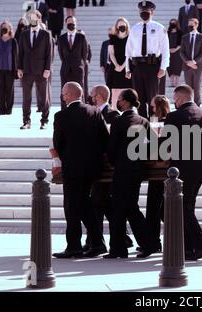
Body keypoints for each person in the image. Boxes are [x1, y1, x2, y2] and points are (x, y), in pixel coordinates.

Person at [52, 82, 108, 258]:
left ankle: (74, 246)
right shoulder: (95, 111)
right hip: (93, 169)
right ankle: (98, 243)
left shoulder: (61, 115)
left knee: (72, 207)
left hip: (73, 169)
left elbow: (57, 143)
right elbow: (105, 139)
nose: (62, 96)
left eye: (63, 93)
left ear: (69, 94)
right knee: (85, 205)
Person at [163, 85, 202, 260]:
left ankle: (201, 245)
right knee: (188, 206)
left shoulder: (174, 116)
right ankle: (189, 246)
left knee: (181, 207)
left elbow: (164, 145)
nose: (174, 102)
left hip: (182, 169)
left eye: (175, 99)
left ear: (180, 98)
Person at [105, 88, 160, 259]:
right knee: (128, 207)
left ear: (126, 101)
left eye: (119, 99)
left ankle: (125, 246)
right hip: (138, 169)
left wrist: (115, 163)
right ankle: (138, 244)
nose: (118, 102)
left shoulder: (119, 122)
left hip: (123, 169)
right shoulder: (143, 120)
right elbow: (153, 143)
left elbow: (111, 149)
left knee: (122, 208)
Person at [84, 84, 135, 251]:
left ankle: (95, 242)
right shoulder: (94, 114)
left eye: (92, 95)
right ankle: (118, 237)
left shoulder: (113, 115)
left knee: (97, 203)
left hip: (107, 167)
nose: (90, 98)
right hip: (99, 165)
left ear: (98, 96)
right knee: (102, 203)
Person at [125, 1, 170, 119]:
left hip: (153, 66)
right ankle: (142, 123)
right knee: (139, 98)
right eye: (142, 12)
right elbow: (128, 50)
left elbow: (165, 50)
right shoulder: (134, 28)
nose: (144, 14)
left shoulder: (160, 28)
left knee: (153, 98)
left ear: (152, 12)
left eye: (147, 12)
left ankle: (155, 123)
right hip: (137, 66)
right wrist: (128, 68)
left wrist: (163, 67)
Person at [17, 11, 53, 129]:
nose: (32, 20)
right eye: (30, 18)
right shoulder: (24, 34)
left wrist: (47, 68)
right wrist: (19, 68)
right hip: (27, 70)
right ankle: (26, 121)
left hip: (41, 70)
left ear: (39, 19)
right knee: (26, 98)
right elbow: (20, 52)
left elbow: (49, 53)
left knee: (44, 97)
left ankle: (44, 121)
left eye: (34, 18)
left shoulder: (46, 34)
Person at [145, 95, 171, 251]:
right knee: (154, 207)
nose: (151, 109)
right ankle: (153, 240)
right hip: (156, 167)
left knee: (156, 207)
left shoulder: (167, 121)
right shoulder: (154, 121)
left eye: (153, 106)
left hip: (162, 168)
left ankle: (154, 241)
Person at [58, 16, 88, 109]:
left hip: (78, 69)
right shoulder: (61, 38)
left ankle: (81, 111)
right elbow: (61, 55)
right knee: (65, 91)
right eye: (69, 22)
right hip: (65, 69)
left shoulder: (81, 37)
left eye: (73, 22)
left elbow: (84, 54)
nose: (71, 24)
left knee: (79, 91)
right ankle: (64, 111)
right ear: (65, 24)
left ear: (76, 23)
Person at [0, 21, 18, 115]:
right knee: (0, 90)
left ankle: (9, 110)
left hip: (10, 69)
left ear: (10, 29)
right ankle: (1, 110)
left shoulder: (13, 41)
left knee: (9, 90)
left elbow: (16, 56)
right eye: (3, 27)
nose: (4, 28)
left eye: (6, 27)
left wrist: (16, 70)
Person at [180, 18, 202, 106]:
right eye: (189, 24)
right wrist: (188, 62)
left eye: (192, 24)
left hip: (197, 66)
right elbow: (182, 52)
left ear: (196, 25)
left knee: (197, 87)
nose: (190, 26)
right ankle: (189, 105)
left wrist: (194, 62)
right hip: (187, 66)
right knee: (188, 88)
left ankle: (197, 105)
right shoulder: (184, 37)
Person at [108, 17, 133, 108]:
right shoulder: (113, 37)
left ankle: (127, 111)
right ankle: (114, 111)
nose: (121, 26)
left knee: (127, 91)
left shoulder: (130, 37)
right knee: (115, 91)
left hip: (127, 67)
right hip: (115, 67)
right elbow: (111, 53)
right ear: (117, 26)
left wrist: (123, 66)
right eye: (120, 25)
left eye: (123, 24)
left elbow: (130, 53)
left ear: (126, 26)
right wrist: (116, 65)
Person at [167, 19, 183, 88]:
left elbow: (182, 43)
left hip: (177, 52)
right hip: (169, 52)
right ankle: (172, 83)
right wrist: (169, 49)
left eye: (174, 23)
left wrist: (175, 49)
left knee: (177, 67)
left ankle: (176, 82)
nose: (173, 24)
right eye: (171, 23)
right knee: (170, 67)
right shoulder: (167, 33)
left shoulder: (180, 32)